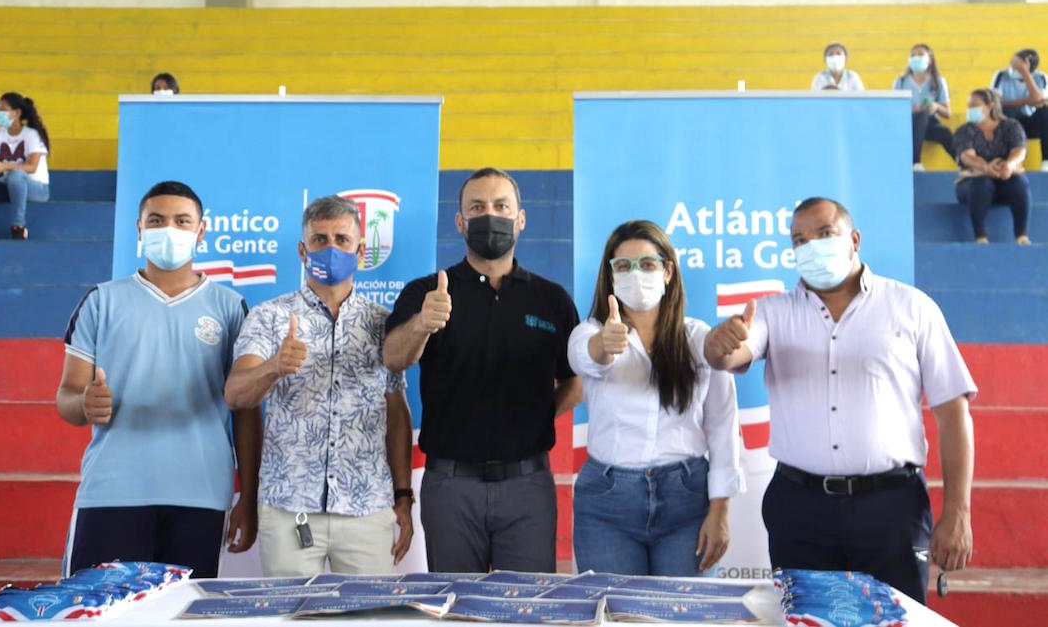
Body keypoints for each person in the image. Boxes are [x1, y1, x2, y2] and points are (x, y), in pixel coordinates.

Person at [703, 197, 975, 605]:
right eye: (799, 239)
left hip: (892, 508)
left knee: (893, 617)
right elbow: (729, 355)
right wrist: (718, 344)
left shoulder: (912, 307)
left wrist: (958, 510)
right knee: (806, 618)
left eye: (824, 234)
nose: (810, 245)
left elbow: (953, 412)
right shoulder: (773, 313)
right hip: (800, 508)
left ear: (854, 239)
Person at [55, 181, 261, 578]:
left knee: (181, 617)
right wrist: (83, 405)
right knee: (99, 615)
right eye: (157, 220)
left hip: (201, 495)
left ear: (201, 232)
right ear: (139, 229)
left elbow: (247, 412)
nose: (169, 229)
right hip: (111, 491)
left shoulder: (231, 307)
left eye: (182, 221)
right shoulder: (101, 301)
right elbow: (66, 396)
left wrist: (247, 497)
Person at [383, 167, 581, 573]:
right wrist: (423, 323)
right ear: (460, 222)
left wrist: (536, 415)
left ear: (521, 219)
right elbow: (393, 358)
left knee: (526, 612)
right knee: (454, 609)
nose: (490, 215)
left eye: (501, 206)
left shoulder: (552, 300)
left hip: (528, 487)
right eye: (477, 207)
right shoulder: (426, 292)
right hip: (451, 486)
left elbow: (577, 380)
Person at [224, 195, 414, 576]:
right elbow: (236, 394)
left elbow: (396, 413)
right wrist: (273, 368)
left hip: (366, 507)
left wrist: (403, 497)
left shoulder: (385, 323)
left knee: (370, 620)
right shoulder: (270, 317)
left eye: (342, 240)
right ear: (302, 250)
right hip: (289, 508)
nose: (331, 249)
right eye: (320, 239)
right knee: (289, 617)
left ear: (360, 251)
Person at [567, 220, 744, 577]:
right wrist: (604, 346)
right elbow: (584, 357)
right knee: (614, 614)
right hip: (608, 501)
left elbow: (723, 427)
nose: (637, 274)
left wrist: (720, 511)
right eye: (624, 266)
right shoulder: (591, 331)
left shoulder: (697, 337)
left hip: (687, 498)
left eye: (647, 264)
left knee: (686, 616)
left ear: (667, 272)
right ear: (611, 276)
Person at [953, 89, 1031, 245]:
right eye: (968, 106)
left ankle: (1021, 235)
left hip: (1005, 179)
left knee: (1020, 184)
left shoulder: (1011, 126)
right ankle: (980, 236)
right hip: (972, 183)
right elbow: (967, 156)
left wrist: (1009, 165)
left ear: (990, 106)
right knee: (982, 183)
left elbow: (1019, 151)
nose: (969, 109)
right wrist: (986, 167)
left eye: (974, 105)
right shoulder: (964, 130)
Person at [0, 92, 51, 240]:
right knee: (10, 177)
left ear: (17, 113)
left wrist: (4, 166)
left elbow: (32, 167)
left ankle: (18, 226)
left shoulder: (31, 135)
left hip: (36, 189)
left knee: (16, 175)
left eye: (3, 110)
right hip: (7, 187)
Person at [894, 44, 954, 171]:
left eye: (920, 55)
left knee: (945, 134)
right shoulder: (901, 81)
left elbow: (948, 113)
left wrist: (936, 106)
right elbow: (893, 109)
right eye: (913, 55)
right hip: (907, 123)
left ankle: (965, 165)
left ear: (930, 60)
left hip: (930, 123)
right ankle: (915, 162)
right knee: (920, 116)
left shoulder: (938, 81)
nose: (916, 58)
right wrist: (910, 111)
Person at [991, 48, 1048, 170]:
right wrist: (1027, 101)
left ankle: (1046, 162)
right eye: (1013, 63)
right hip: (1008, 122)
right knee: (1008, 112)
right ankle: (1013, 161)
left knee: (1045, 113)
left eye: (1017, 64)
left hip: (1030, 122)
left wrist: (1024, 72)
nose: (1012, 66)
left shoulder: (1040, 77)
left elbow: (1039, 100)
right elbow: (995, 104)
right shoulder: (1001, 75)